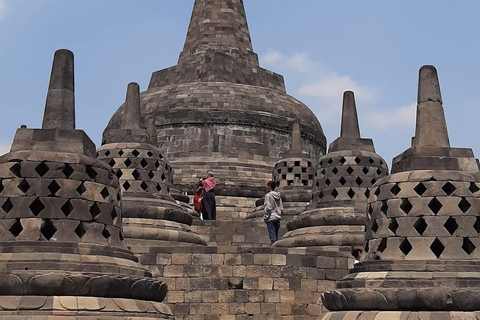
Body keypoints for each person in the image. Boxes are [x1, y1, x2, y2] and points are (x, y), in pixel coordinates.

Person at [264, 181, 283, 245]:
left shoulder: (268, 195)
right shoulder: (279, 196)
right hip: (277, 218)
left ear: (269, 187)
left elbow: (268, 207)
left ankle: (273, 252)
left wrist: (266, 216)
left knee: (273, 238)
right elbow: (281, 208)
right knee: (275, 237)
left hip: (271, 217)